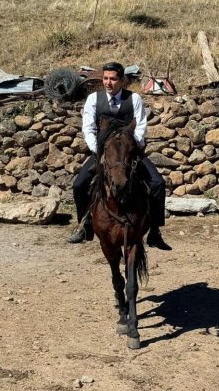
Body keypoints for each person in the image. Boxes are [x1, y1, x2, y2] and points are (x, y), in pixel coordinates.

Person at [67, 61, 172, 250]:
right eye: (105, 78)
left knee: (158, 183)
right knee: (79, 184)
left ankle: (155, 231)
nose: (108, 82)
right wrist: (97, 149)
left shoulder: (134, 99)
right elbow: (88, 128)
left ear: (121, 80)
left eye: (113, 79)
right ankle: (85, 225)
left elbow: (140, 127)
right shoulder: (93, 99)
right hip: (103, 153)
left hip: (129, 153)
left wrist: (132, 148)